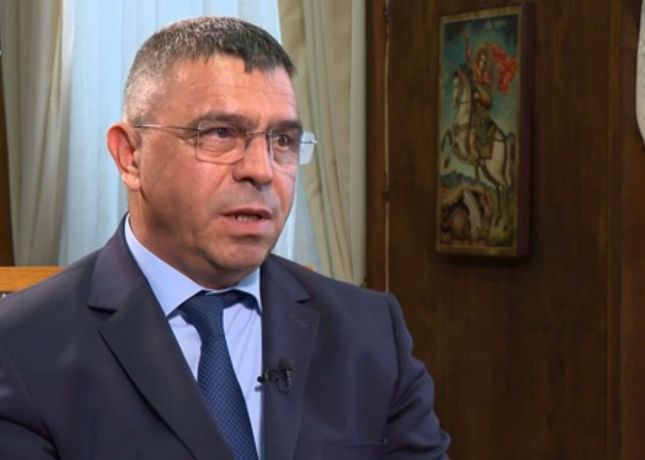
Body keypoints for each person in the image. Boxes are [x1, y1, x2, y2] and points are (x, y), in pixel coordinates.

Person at [0, 17, 450, 459]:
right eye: (220, 133)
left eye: (283, 140)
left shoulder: (371, 332)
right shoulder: (20, 345)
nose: (261, 170)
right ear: (130, 156)